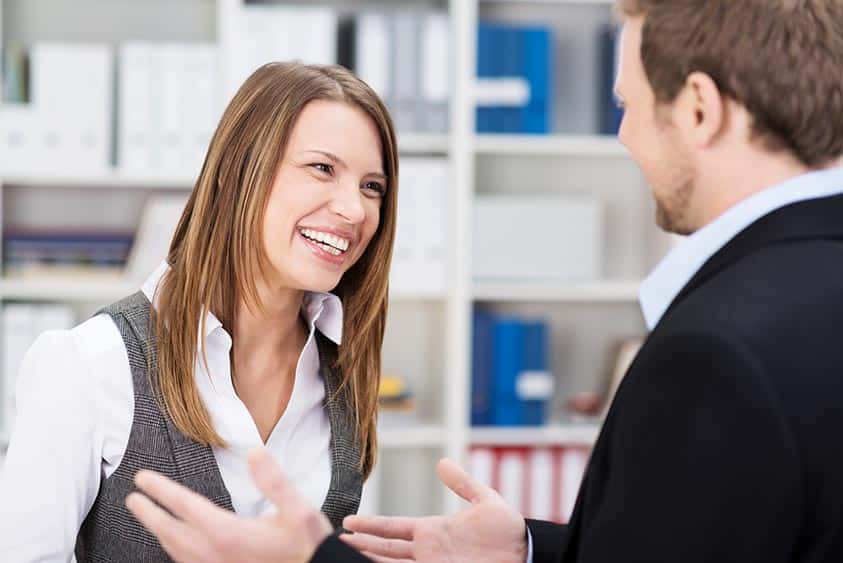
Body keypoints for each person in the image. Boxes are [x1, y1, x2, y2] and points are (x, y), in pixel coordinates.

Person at [127, 0, 843, 561]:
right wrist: (529, 549)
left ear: (696, 108)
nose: (621, 136)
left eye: (625, 105)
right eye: (321, 168)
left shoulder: (717, 352)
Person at [0, 62, 399, 562]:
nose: (355, 211)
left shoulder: (346, 373)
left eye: (372, 187)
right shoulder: (88, 364)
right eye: (322, 168)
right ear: (241, 170)